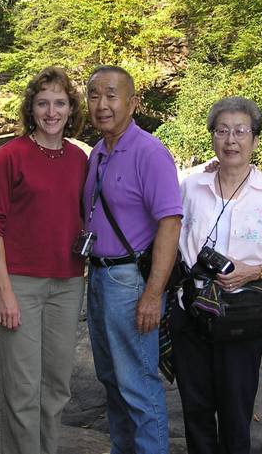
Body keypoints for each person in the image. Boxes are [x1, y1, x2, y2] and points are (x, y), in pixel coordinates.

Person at [172, 96, 262, 454]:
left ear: (255, 140)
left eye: (241, 132)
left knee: (235, 410)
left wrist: (251, 272)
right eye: (222, 131)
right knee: (195, 408)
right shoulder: (192, 188)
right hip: (191, 307)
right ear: (212, 137)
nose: (231, 140)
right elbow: (173, 239)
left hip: (242, 314)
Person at [0, 66, 87, 454]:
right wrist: (5, 292)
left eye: (59, 103)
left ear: (70, 108)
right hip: (20, 284)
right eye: (43, 103)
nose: (51, 111)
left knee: (56, 386)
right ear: (32, 108)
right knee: (22, 388)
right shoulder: (11, 155)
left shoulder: (79, 159)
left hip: (68, 283)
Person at [82, 65, 182, 454]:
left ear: (133, 102)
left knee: (138, 382)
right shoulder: (98, 153)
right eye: (94, 95)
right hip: (99, 277)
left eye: (111, 95)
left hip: (129, 280)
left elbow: (170, 225)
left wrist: (153, 294)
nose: (102, 104)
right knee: (110, 378)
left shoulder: (150, 152)